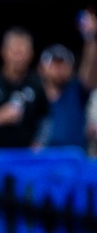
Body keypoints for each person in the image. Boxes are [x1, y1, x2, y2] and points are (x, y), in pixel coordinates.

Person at [0, 27, 49, 149]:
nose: (18, 58)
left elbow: (46, 119)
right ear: (4, 51)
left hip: (27, 158)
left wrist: (39, 142)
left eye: (23, 52)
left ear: (31, 54)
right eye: (15, 52)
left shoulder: (37, 86)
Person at [34, 11, 97, 151]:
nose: (59, 68)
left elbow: (90, 68)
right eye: (53, 63)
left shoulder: (77, 91)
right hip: (40, 164)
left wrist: (90, 37)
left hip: (73, 165)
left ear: (71, 69)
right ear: (41, 68)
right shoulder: (32, 92)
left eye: (63, 63)